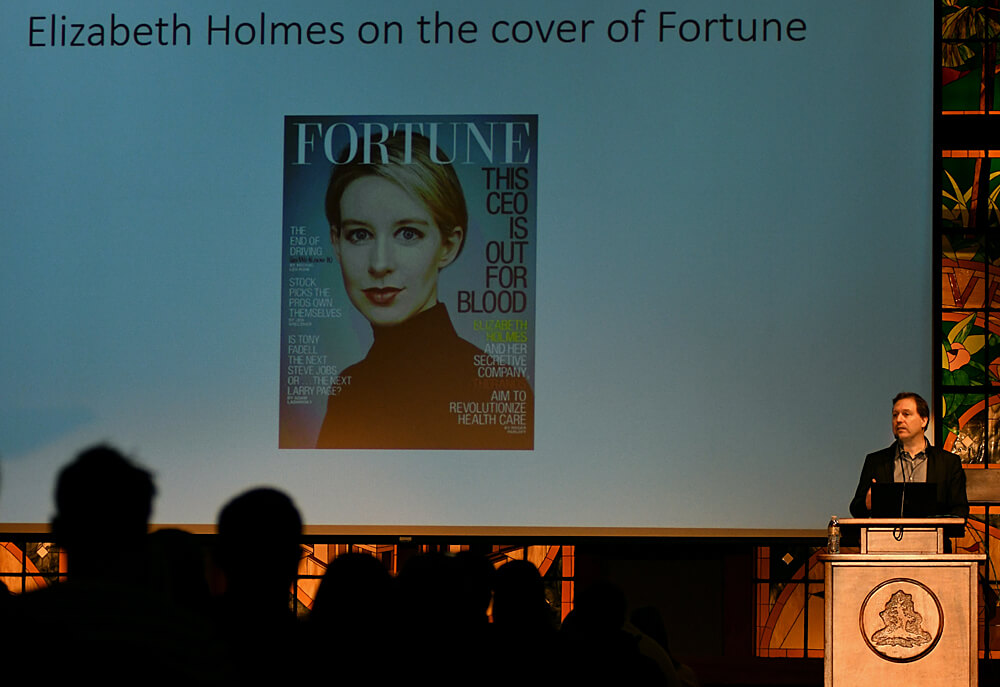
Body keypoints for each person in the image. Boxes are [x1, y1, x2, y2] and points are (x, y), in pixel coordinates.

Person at [315, 132, 533, 449]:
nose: (380, 264)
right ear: (336, 243)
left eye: (408, 234)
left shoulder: (498, 392)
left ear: (448, 245)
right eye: (360, 235)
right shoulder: (349, 390)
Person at [849, 392, 968, 526]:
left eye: (906, 414)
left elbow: (960, 511)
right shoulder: (876, 461)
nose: (899, 420)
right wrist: (867, 504)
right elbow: (855, 508)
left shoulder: (948, 463)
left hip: (933, 538)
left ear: (924, 420)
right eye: (895, 415)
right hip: (886, 538)